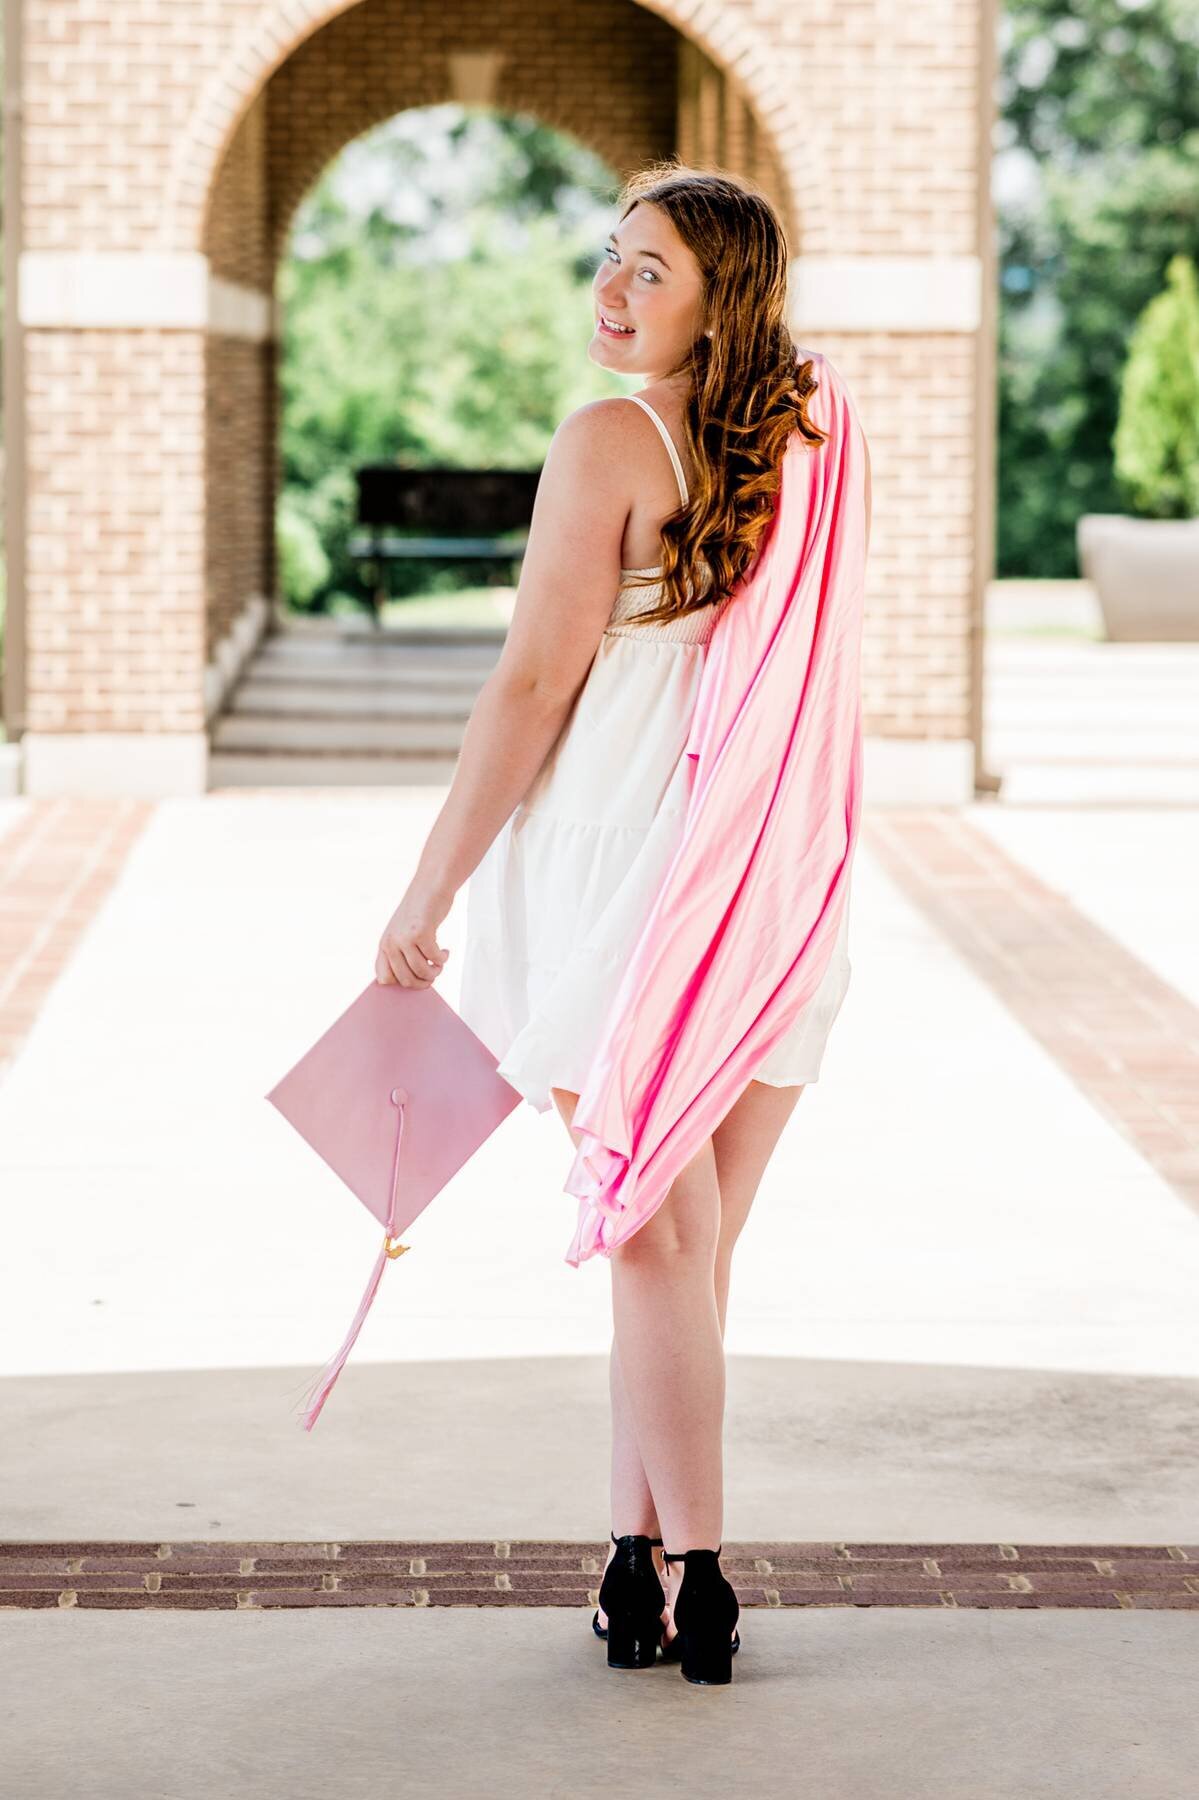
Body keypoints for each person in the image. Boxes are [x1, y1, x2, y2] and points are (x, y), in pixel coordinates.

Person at [374, 162, 873, 1685]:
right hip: (777, 881)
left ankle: (704, 1575)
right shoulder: (820, 435)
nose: (612, 287)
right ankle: (631, 1565)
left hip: (621, 889)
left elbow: (531, 689)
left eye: (650, 269)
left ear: (720, 297)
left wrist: (429, 887)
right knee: (677, 1253)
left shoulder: (610, 440)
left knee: (654, 1235)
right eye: (610, 257)